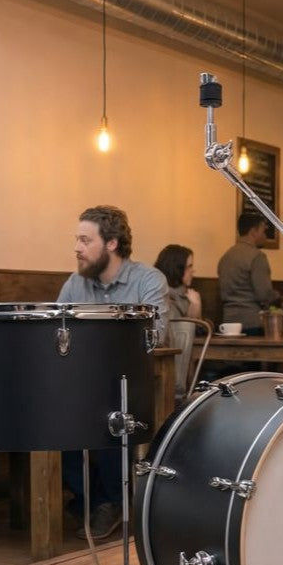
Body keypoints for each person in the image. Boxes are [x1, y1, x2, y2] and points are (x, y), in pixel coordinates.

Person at [58, 205, 169, 539]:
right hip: (82, 384)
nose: (76, 247)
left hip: (133, 384)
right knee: (48, 414)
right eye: (77, 239)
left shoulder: (148, 280)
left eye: (84, 240)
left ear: (112, 243)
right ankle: (95, 500)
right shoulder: (75, 283)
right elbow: (57, 332)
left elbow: (155, 333)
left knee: (109, 409)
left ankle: (107, 502)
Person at [154, 244, 204, 401]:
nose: (193, 271)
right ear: (176, 268)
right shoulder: (163, 297)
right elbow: (178, 330)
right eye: (189, 267)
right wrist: (195, 307)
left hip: (182, 369)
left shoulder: (187, 296)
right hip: (172, 375)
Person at [217, 213, 280, 335]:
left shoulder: (225, 257)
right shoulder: (257, 256)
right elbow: (263, 294)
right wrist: (278, 297)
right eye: (263, 231)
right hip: (252, 322)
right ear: (253, 231)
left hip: (228, 322)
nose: (265, 236)